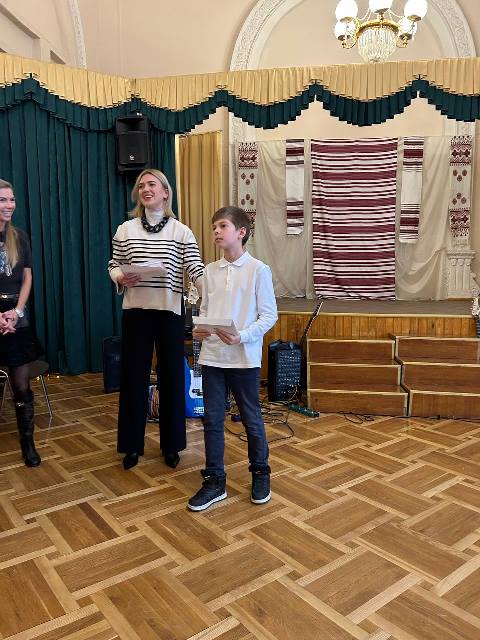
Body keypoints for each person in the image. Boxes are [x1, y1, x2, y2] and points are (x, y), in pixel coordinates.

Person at [108, 169, 204, 470]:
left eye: (152, 184)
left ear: (165, 192)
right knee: (133, 378)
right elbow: (114, 263)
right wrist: (120, 276)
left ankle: (172, 446)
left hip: (168, 313)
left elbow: (196, 269)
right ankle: (131, 446)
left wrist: (216, 292)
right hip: (135, 312)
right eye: (141, 186)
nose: (145, 189)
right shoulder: (125, 229)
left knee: (172, 377)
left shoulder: (181, 231)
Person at [188, 206, 277, 511]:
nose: (216, 231)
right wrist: (199, 329)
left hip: (243, 358)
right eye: (214, 227)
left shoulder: (258, 270)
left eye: (222, 226)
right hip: (213, 357)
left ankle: (260, 473)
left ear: (241, 232)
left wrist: (243, 336)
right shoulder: (209, 271)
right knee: (212, 420)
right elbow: (205, 311)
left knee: (251, 418)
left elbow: (269, 316)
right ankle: (215, 481)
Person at [0, 179, 42, 467]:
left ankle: (28, 444)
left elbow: (27, 277)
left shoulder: (20, 237)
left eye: (11, 199)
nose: (9, 205)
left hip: (17, 313)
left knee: (21, 384)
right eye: (3, 200)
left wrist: (17, 311)